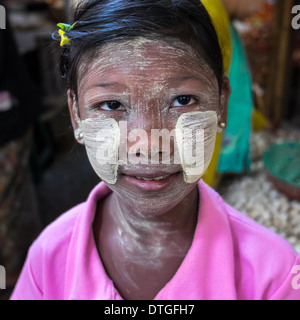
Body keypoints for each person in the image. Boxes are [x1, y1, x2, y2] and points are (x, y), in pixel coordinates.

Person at [10, 0, 300, 300]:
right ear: (77, 116)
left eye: (183, 100)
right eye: (111, 105)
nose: (149, 144)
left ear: (221, 107)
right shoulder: (48, 258)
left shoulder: (275, 274)